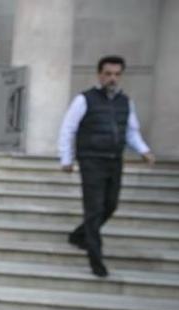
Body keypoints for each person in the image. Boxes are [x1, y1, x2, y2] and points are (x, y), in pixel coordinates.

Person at [58, 55, 155, 277]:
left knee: (110, 205)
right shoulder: (84, 99)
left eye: (117, 74)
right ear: (99, 74)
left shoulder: (125, 102)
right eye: (108, 74)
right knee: (94, 209)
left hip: (114, 160)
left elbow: (131, 131)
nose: (112, 78)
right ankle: (96, 259)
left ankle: (78, 235)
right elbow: (68, 128)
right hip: (91, 159)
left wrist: (144, 150)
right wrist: (66, 158)